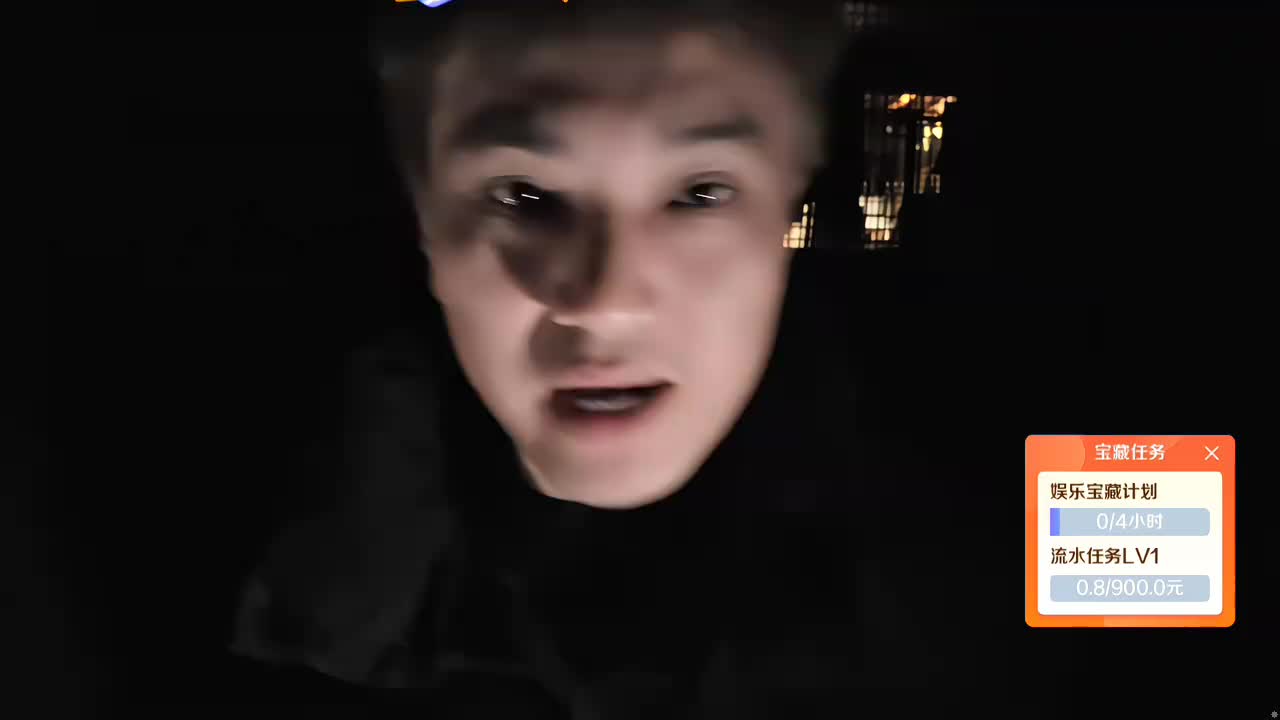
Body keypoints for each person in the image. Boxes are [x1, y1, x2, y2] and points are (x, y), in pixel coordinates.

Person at [230, 1, 1009, 715]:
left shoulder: (1019, 541)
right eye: (527, 196)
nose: (607, 301)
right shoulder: (287, 558)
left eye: (700, 194)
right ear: (425, 220)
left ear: (792, 208)